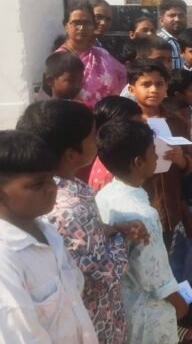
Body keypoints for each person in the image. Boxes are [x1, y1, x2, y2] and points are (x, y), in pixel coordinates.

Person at [16, 101, 144, 344]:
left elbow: (78, 243)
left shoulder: (59, 193)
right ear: (71, 154)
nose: (98, 141)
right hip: (95, 322)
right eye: (93, 136)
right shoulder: (71, 207)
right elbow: (106, 273)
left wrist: (112, 229)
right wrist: (122, 237)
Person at [94, 120, 192, 344]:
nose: (157, 155)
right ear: (138, 162)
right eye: (153, 151)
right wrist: (179, 303)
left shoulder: (104, 195)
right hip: (148, 315)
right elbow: (154, 274)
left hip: (121, 307)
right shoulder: (142, 215)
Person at [126, 60, 192, 333]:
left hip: (172, 200)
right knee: (149, 265)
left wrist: (181, 159)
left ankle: (179, 307)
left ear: (167, 87)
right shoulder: (127, 125)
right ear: (131, 88)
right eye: (145, 84)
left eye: (159, 84)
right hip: (141, 204)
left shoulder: (176, 121)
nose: (153, 90)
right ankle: (165, 319)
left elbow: (191, 160)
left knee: (174, 257)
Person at [0, 130, 99, 344]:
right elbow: (22, 337)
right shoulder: (5, 257)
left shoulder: (48, 232)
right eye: (37, 184)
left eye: (50, 178)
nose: (51, 188)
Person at [55, 2, 126, 107]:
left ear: (93, 26)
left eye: (87, 23)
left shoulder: (102, 54)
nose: (82, 28)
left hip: (108, 113)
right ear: (66, 26)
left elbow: (123, 76)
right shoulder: (59, 59)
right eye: (76, 23)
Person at [88, 96, 145, 193]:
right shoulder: (108, 176)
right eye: (135, 128)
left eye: (143, 125)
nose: (144, 131)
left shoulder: (126, 158)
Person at [157, 0, 187, 69]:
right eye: (172, 15)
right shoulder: (157, 42)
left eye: (181, 16)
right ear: (161, 20)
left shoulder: (190, 41)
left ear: (186, 19)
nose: (177, 19)